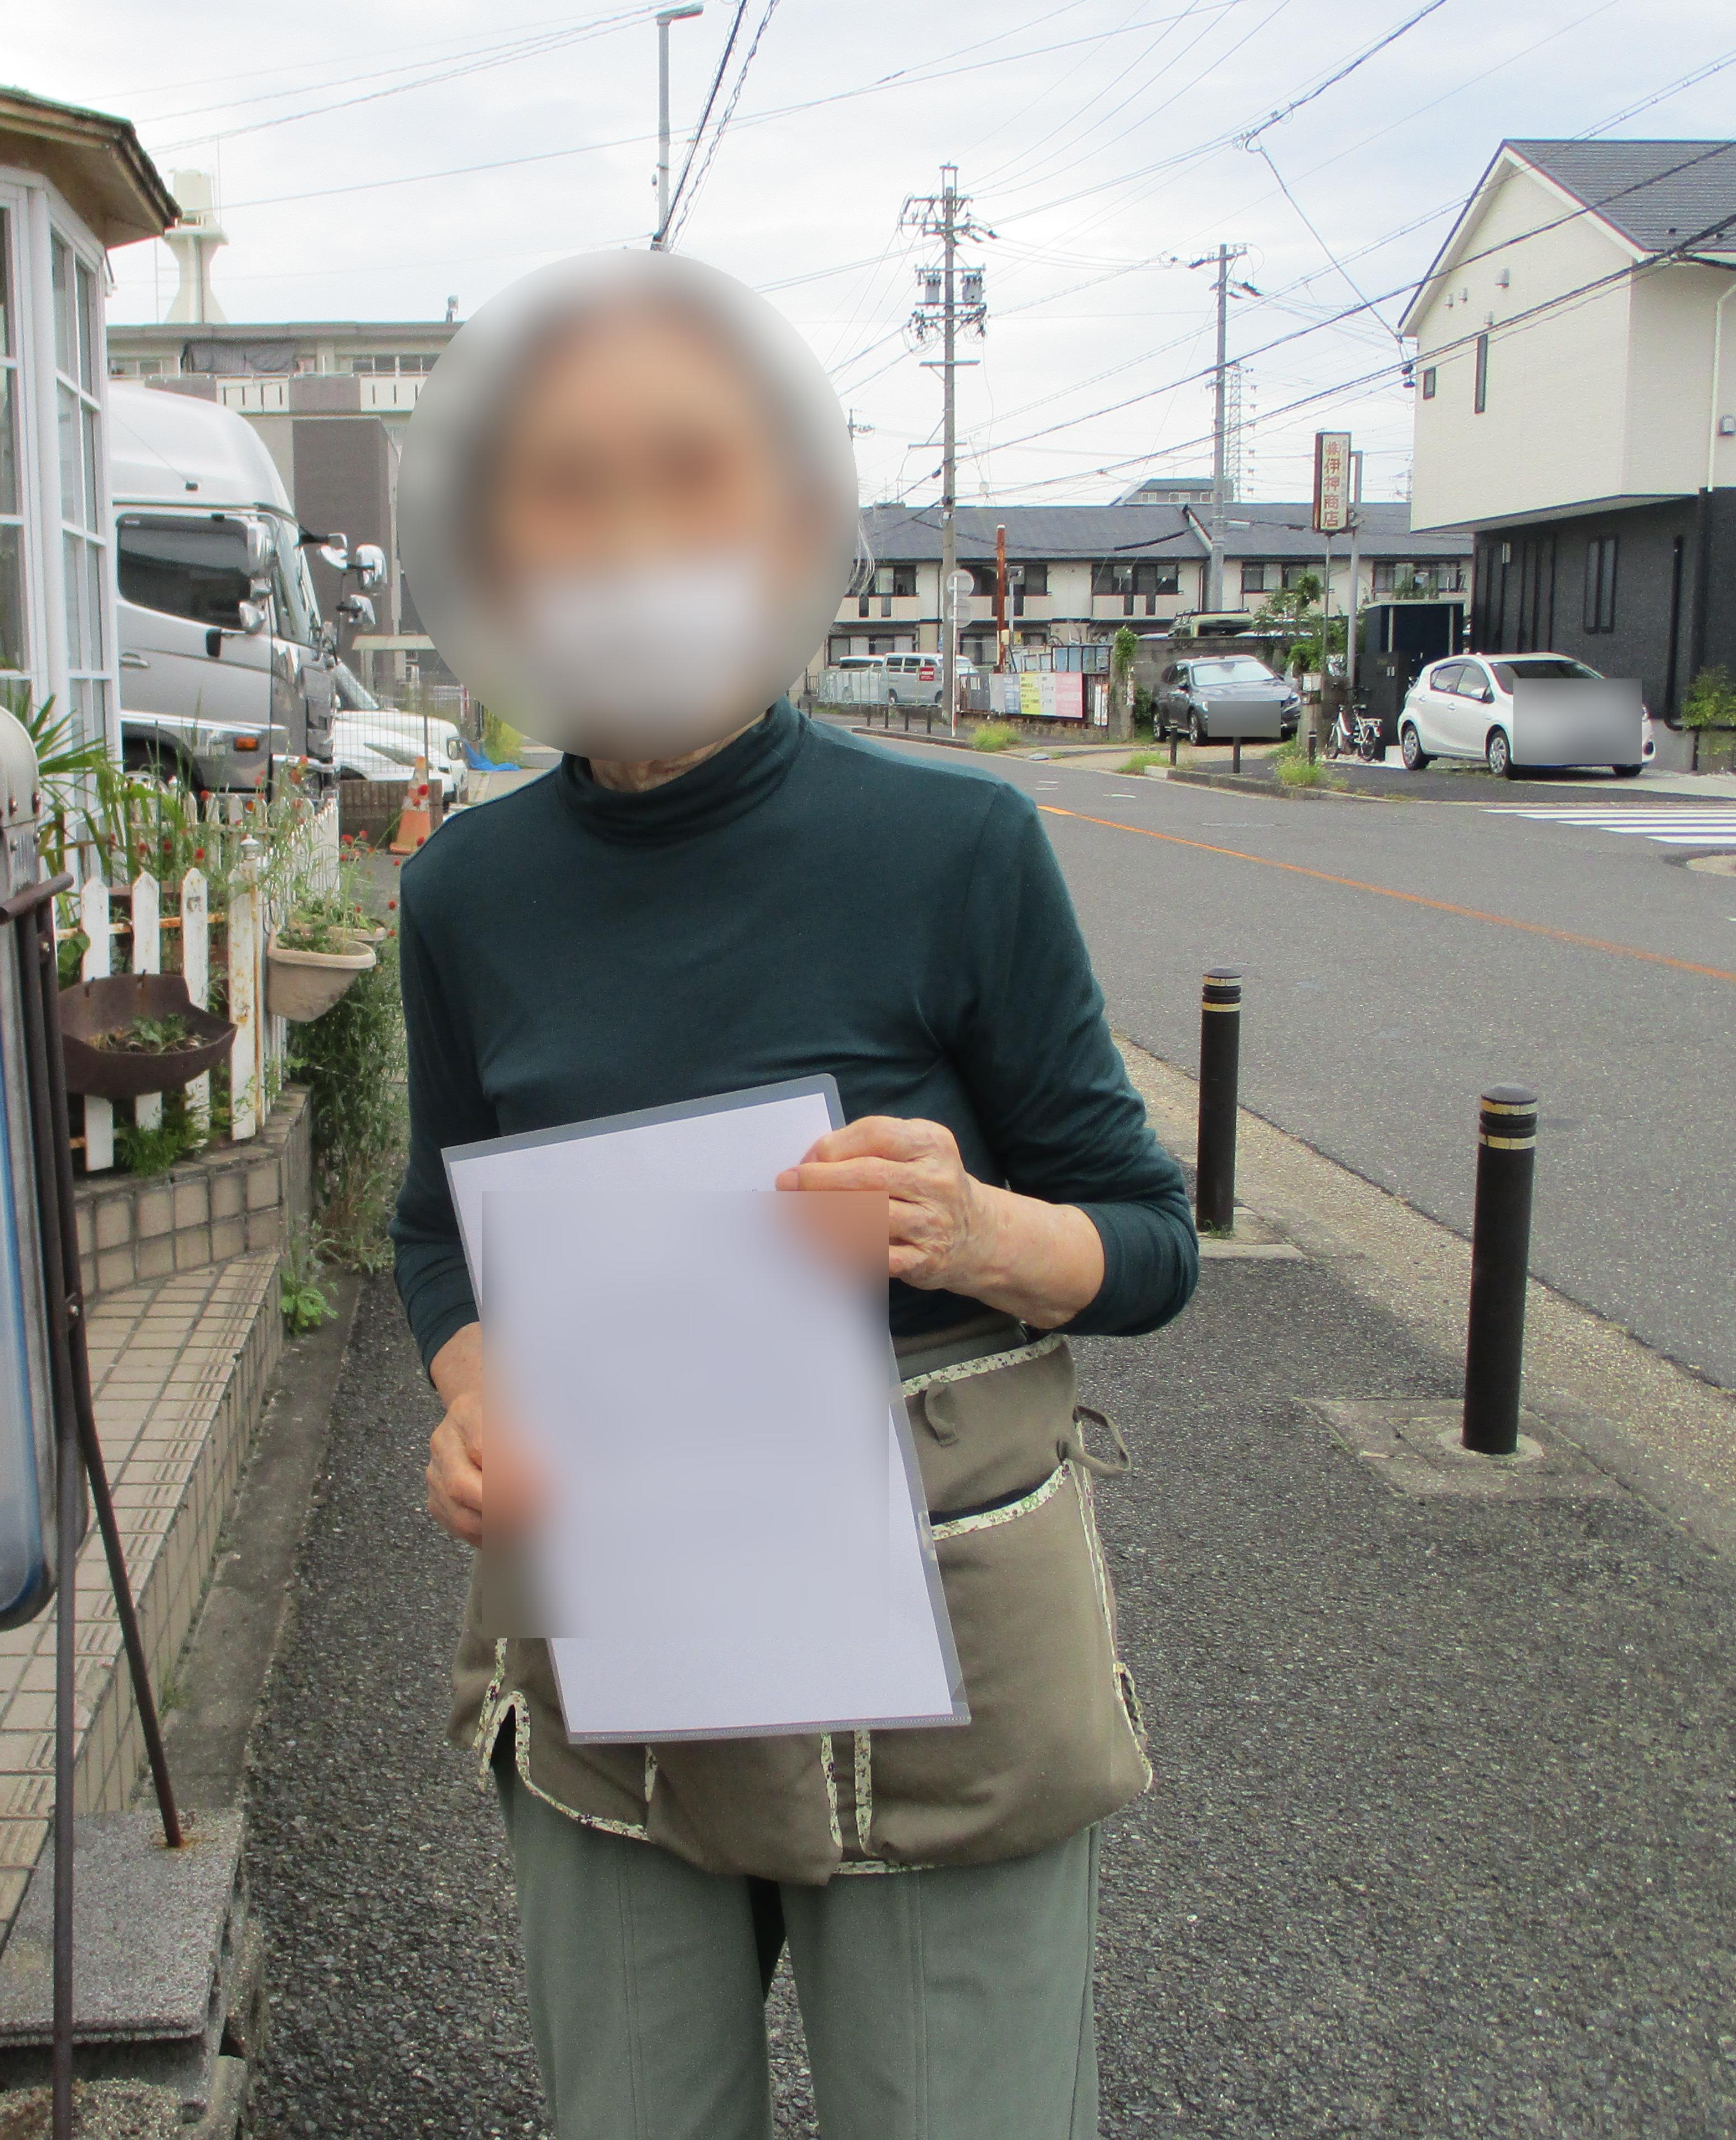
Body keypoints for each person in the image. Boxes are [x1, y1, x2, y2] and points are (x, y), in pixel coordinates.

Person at [388, 250, 1198, 2140]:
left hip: (939, 1605)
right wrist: (475, 1394)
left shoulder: (955, 846)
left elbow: (1148, 1240)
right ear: (493, 556)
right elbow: (439, 1226)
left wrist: (983, 1233)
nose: (629, 536)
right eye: (564, 488)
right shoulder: (465, 892)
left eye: (689, 473)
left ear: (791, 525)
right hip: (620, 1594)